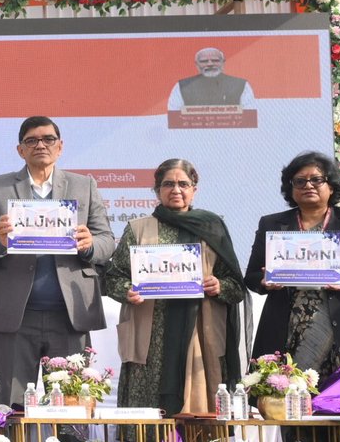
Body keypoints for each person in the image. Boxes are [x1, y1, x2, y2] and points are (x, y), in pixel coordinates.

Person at [0, 116, 116, 406]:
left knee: (71, 403)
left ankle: (68, 441)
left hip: (69, 314)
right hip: (15, 315)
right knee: (12, 403)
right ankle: (10, 439)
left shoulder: (84, 186)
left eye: (48, 139)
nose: (40, 145)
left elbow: (107, 241)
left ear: (60, 146)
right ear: (20, 150)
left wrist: (89, 245)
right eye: (32, 140)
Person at [103, 158, 245, 416]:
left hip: (197, 332)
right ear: (157, 190)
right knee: (148, 414)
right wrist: (127, 290)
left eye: (183, 184)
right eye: (168, 184)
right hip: (150, 334)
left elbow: (236, 286)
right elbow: (113, 277)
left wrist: (218, 285)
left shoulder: (212, 228)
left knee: (195, 413)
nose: (176, 190)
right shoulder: (138, 229)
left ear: (194, 190)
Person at [245, 152, 340, 400]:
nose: (308, 186)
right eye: (299, 181)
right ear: (290, 189)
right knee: (288, 406)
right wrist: (264, 281)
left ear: (331, 185)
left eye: (316, 179)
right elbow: (251, 276)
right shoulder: (272, 224)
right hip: (287, 329)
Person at [167, 47, 255, 110]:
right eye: (204, 61)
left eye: (215, 60)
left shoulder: (241, 85)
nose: (210, 64)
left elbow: (249, 114)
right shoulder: (182, 86)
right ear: (197, 64)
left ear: (223, 63)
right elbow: (174, 115)